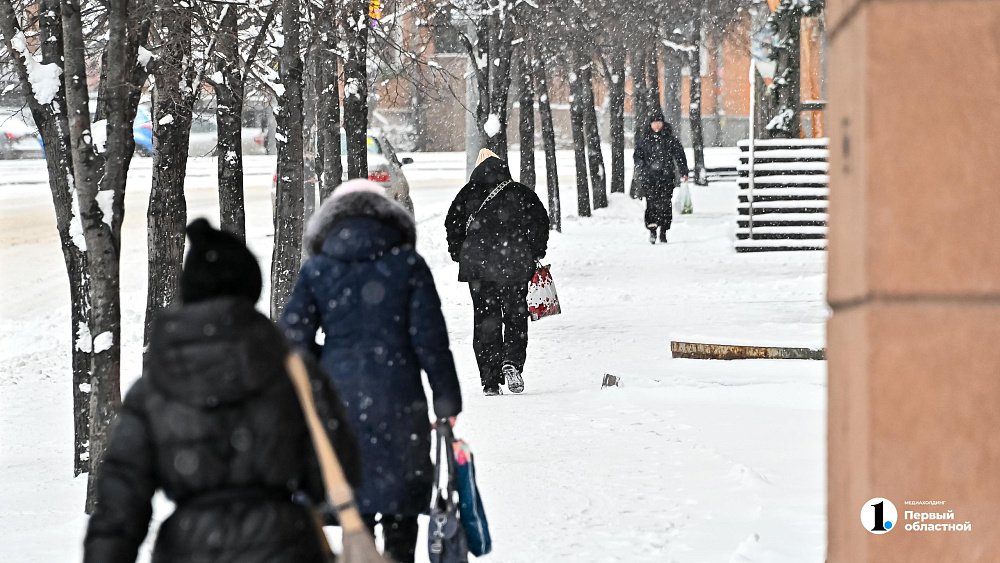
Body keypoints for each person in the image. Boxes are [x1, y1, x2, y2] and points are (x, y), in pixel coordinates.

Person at [83, 219, 361, 563]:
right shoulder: (295, 373)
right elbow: (336, 471)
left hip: (190, 549)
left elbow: (119, 505)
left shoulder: (153, 388)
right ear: (250, 289)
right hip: (285, 545)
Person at [281, 179, 463, 563]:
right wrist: (446, 400)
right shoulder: (408, 265)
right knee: (400, 498)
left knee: (353, 498)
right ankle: (398, 555)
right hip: (400, 398)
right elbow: (431, 340)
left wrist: (331, 354)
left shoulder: (318, 269)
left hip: (338, 399)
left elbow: (291, 341)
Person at [445, 149, 549, 396]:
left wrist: (460, 253)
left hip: (479, 270)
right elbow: (540, 222)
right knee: (515, 316)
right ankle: (512, 361)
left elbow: (453, 225)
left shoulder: (467, 194)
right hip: (515, 266)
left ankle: (490, 379)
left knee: (485, 321)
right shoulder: (521, 192)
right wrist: (535, 251)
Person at [633, 110, 690, 244]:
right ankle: (652, 230)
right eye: (654, 123)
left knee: (665, 204)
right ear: (650, 124)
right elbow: (638, 156)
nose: (657, 125)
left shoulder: (669, 139)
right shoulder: (645, 140)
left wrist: (683, 171)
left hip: (666, 178)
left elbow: (679, 156)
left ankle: (663, 231)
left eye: (659, 122)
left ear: (663, 123)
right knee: (651, 204)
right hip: (650, 178)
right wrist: (642, 168)